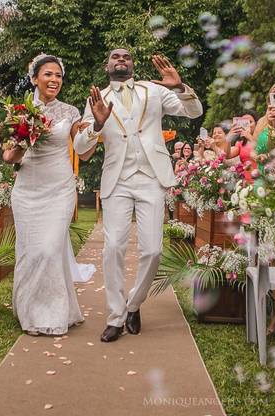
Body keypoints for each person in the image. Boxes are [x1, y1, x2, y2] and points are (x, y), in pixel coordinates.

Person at [75, 49, 202, 343]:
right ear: (107, 65)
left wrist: (180, 87)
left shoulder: (153, 90)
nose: (121, 59)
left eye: (126, 57)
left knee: (153, 251)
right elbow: (81, 148)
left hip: (151, 177)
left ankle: (133, 304)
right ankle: (115, 316)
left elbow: (194, 112)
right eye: (115, 56)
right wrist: (96, 125)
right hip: (117, 179)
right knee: (113, 248)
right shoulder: (97, 99)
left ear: (132, 64)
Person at [3, 54, 89, 336]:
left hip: (59, 188)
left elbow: (84, 152)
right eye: (48, 74)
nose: (54, 80)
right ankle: (29, 309)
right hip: (27, 189)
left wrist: (96, 129)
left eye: (58, 75)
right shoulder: (19, 112)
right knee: (30, 251)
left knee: (49, 249)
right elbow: (8, 157)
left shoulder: (70, 112)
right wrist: (26, 134)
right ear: (34, 78)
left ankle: (51, 313)